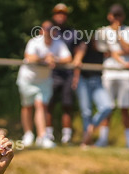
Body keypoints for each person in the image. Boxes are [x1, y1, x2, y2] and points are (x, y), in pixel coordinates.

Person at [17, 20, 71, 149]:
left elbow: (68, 58)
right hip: (28, 79)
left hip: (44, 81)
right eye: (46, 29)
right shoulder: (34, 42)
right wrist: (45, 58)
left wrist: (55, 59)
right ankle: (28, 135)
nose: (48, 32)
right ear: (41, 30)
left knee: (41, 105)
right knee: (27, 106)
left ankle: (42, 137)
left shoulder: (58, 43)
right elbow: (29, 57)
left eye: (51, 29)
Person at [96, 4, 129, 149]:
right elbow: (103, 50)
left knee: (125, 108)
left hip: (125, 74)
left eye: (119, 16)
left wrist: (118, 36)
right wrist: (119, 53)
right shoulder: (102, 31)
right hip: (109, 72)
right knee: (107, 108)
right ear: (109, 16)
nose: (117, 19)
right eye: (115, 16)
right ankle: (103, 139)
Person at [46, 3, 82, 144]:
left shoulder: (72, 33)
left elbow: (79, 50)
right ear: (54, 15)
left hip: (67, 74)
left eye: (63, 13)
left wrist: (76, 73)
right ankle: (48, 135)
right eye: (58, 13)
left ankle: (67, 136)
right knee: (49, 104)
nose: (60, 16)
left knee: (67, 104)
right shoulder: (49, 31)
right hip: (51, 73)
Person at [73, 30, 114, 147]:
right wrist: (76, 75)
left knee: (107, 107)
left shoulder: (104, 48)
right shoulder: (85, 45)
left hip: (97, 81)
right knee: (86, 111)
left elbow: (112, 54)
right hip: (83, 81)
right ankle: (87, 142)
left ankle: (89, 131)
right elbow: (77, 60)